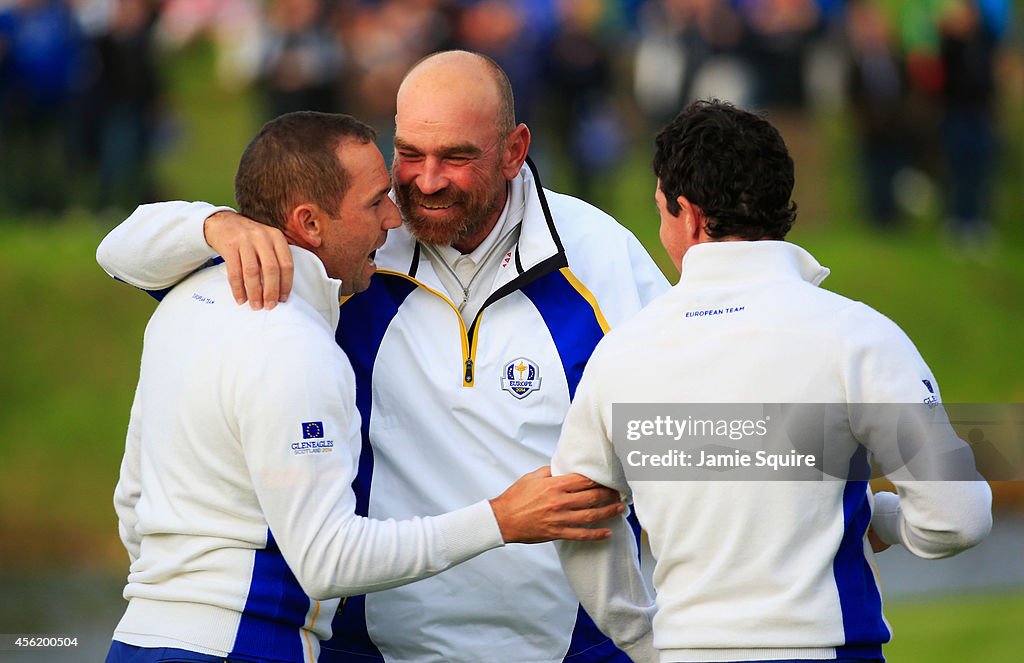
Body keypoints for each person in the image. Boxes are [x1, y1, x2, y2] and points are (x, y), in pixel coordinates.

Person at [96, 51, 669, 661]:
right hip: (364, 649)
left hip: (570, 649)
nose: (423, 183)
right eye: (410, 154)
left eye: (456, 157)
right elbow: (120, 252)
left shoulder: (603, 256)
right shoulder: (345, 245)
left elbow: (685, 441)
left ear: (513, 149)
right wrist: (213, 225)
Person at [551, 99, 993, 663]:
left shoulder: (619, 354)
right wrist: (885, 521)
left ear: (687, 214)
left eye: (661, 211)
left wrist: (644, 641)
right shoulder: (859, 335)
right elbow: (958, 518)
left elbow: (578, 522)